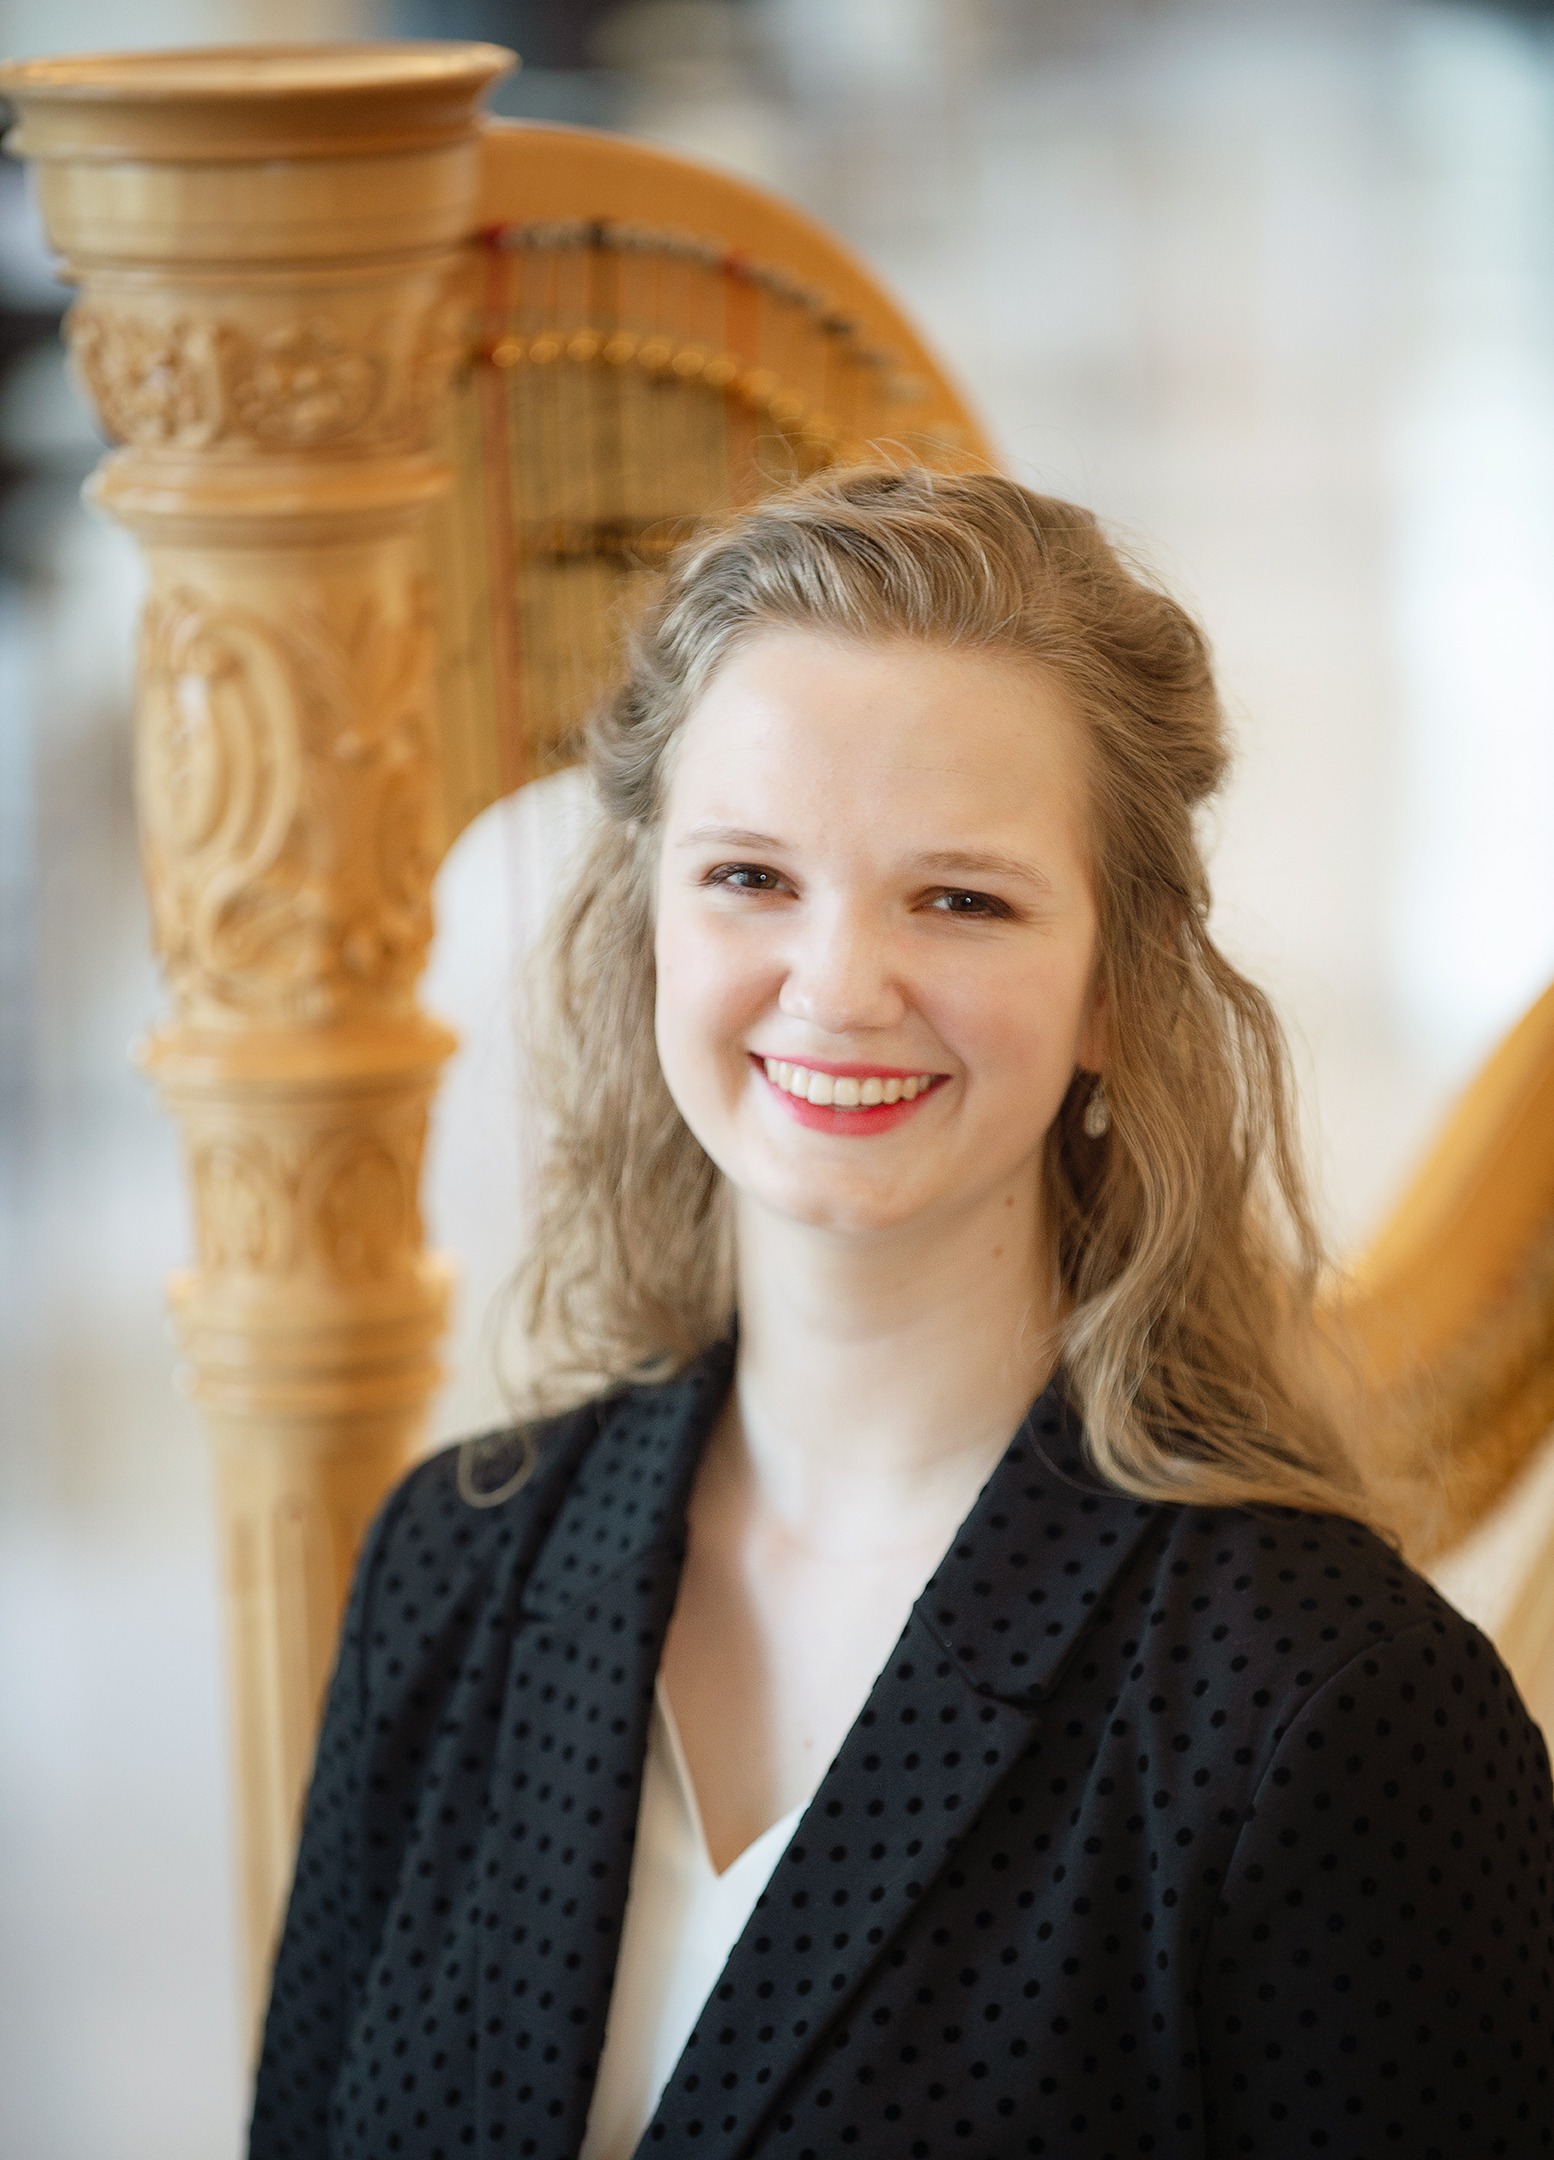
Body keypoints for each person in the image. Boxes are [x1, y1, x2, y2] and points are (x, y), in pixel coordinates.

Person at [250, 468, 1553, 2160]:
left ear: (1116, 984)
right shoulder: (450, 1566)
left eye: (960, 897)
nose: (837, 985)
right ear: (648, 919)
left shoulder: (1327, 1705)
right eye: (749, 877)